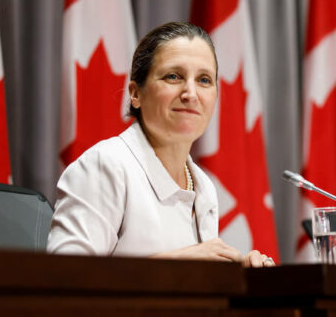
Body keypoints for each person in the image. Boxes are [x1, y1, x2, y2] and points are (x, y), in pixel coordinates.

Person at [48, 21, 274, 267]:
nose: (191, 93)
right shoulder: (106, 165)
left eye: (204, 80)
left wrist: (241, 274)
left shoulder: (203, 186)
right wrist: (177, 262)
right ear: (135, 93)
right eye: (173, 76)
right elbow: (66, 277)